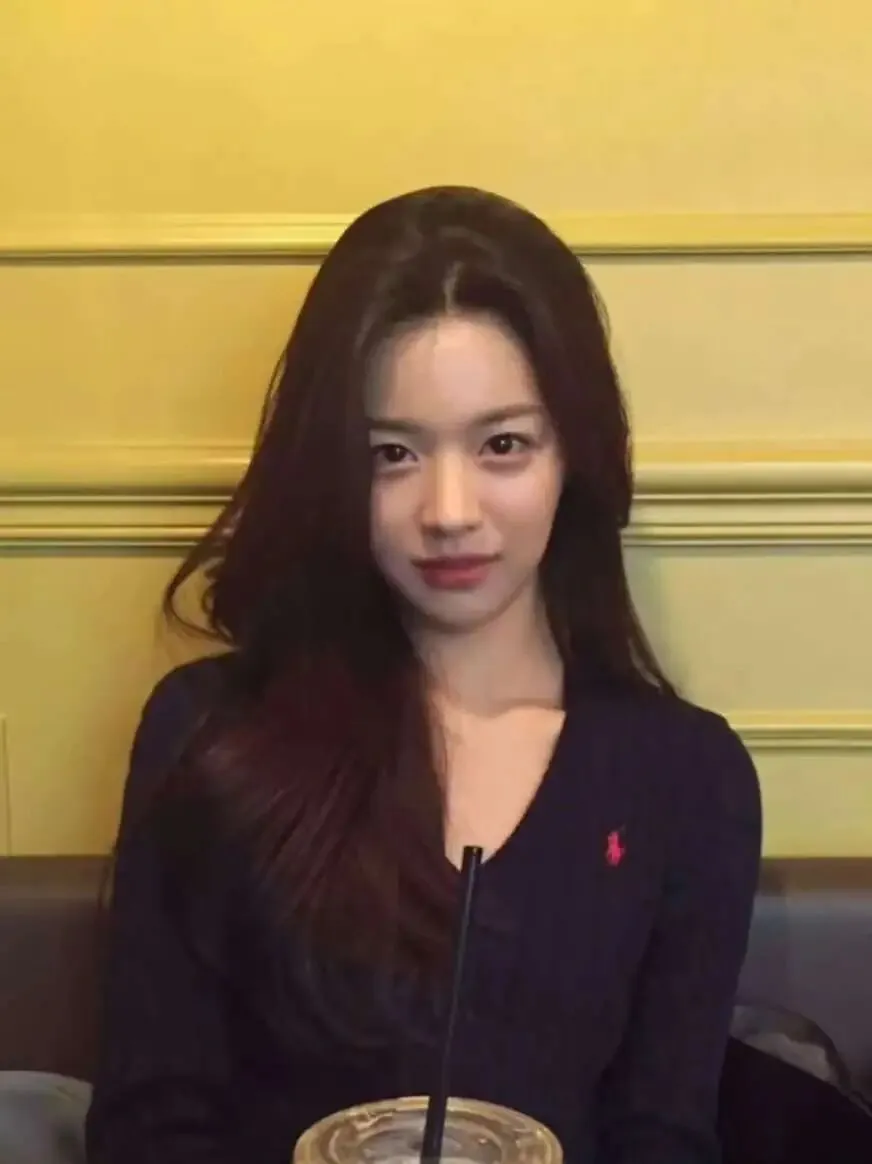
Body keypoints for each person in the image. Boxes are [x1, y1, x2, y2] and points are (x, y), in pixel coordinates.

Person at [85, 185, 762, 1164]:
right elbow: (148, 1130)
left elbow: (662, 1136)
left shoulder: (684, 779)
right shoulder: (210, 733)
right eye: (392, 453)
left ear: (573, 456)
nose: (448, 511)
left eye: (502, 445)